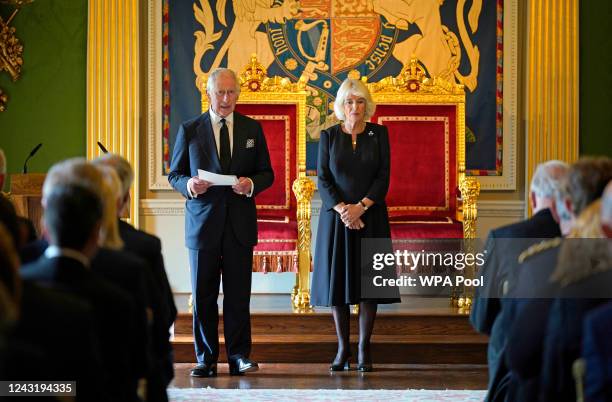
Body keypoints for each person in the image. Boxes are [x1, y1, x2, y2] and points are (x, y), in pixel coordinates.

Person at [168, 67, 274, 377]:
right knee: (203, 295)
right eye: (220, 93)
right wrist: (189, 185)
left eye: (231, 92)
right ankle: (206, 358)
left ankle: (240, 356)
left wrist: (250, 185)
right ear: (209, 94)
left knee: (239, 294)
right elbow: (175, 174)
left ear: (238, 94)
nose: (226, 99)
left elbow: (266, 172)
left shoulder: (252, 129)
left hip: (239, 224)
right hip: (203, 223)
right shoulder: (190, 129)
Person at [311, 78, 399, 373]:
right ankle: (342, 348)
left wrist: (360, 207)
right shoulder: (329, 136)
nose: (355, 107)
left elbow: (383, 178)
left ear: (367, 105)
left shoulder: (379, 134)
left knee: (369, 286)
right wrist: (344, 211)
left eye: (360, 101)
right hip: (337, 221)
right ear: (341, 105)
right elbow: (322, 178)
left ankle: (364, 347)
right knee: (339, 285)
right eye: (349, 102)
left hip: (370, 217)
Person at [469, 160, 568, 401]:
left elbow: (481, 318)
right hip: (568, 362)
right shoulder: (590, 243)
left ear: (533, 199)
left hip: (512, 368)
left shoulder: (502, 238)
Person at [95, 153, 176, 400]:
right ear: (125, 197)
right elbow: (165, 314)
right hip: (131, 371)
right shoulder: (144, 248)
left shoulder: (41, 255)